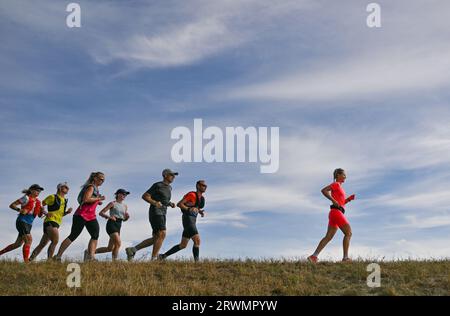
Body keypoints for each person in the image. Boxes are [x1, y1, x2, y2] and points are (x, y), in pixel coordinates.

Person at [125, 169, 177, 261]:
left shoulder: (169, 188)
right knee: (162, 234)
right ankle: (154, 259)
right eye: (171, 175)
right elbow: (145, 196)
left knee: (156, 237)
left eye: (174, 175)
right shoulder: (158, 185)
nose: (173, 177)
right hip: (156, 212)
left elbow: (163, 200)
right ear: (165, 175)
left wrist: (170, 203)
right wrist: (155, 203)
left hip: (163, 213)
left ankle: (132, 249)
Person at [54, 172, 106, 262]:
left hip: (91, 216)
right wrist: (99, 199)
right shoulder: (91, 187)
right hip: (81, 215)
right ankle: (58, 256)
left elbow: (90, 200)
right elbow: (86, 199)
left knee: (95, 235)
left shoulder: (96, 189)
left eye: (103, 180)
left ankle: (91, 258)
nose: (102, 181)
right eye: (101, 179)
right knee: (73, 235)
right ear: (95, 178)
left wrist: (97, 201)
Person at [308, 168, 356, 263]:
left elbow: (341, 203)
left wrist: (348, 199)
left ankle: (313, 256)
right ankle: (345, 258)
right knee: (348, 233)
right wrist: (333, 200)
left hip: (335, 213)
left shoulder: (340, 187)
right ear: (338, 175)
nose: (345, 177)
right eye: (343, 175)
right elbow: (324, 190)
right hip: (336, 213)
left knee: (328, 237)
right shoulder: (336, 184)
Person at [159, 180, 207, 262]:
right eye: (202, 185)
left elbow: (195, 207)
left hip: (192, 221)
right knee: (197, 241)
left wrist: (200, 211)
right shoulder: (191, 195)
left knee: (183, 245)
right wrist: (189, 209)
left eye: (205, 186)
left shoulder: (202, 199)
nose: (204, 187)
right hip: (188, 220)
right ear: (198, 186)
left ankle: (162, 256)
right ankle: (197, 263)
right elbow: (179, 204)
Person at [0, 184, 45, 262]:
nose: (38, 192)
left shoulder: (38, 202)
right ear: (31, 190)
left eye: (39, 191)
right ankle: (26, 262)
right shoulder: (26, 198)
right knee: (29, 240)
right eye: (37, 190)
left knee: (17, 244)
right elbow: (12, 205)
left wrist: (41, 210)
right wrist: (20, 210)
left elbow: (39, 215)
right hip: (22, 221)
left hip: (29, 224)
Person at [29, 182, 73, 261]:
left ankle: (30, 260)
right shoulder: (52, 197)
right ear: (60, 188)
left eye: (68, 188)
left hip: (56, 223)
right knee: (55, 241)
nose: (67, 189)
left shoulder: (64, 200)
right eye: (65, 187)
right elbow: (40, 204)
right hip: (50, 221)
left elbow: (60, 214)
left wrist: (67, 212)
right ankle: (49, 261)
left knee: (42, 244)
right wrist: (45, 213)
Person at [95, 189, 130, 260]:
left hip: (118, 226)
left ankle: (90, 252)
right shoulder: (112, 203)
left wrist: (127, 218)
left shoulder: (125, 206)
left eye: (125, 194)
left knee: (109, 248)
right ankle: (115, 262)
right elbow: (101, 213)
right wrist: (109, 217)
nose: (124, 195)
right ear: (118, 194)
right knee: (118, 243)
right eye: (123, 194)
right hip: (111, 224)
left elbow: (123, 219)